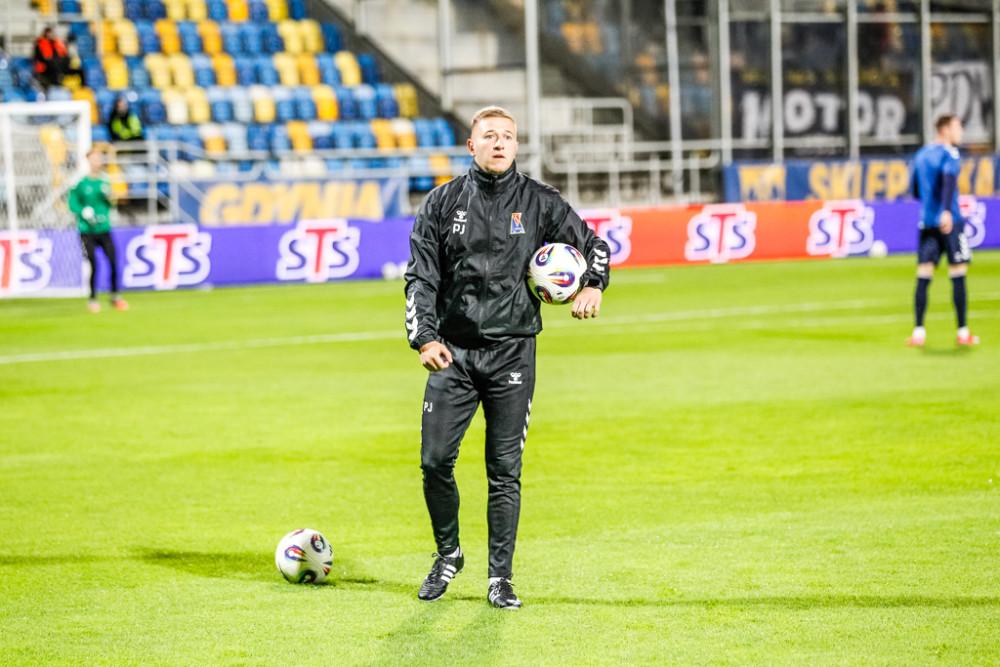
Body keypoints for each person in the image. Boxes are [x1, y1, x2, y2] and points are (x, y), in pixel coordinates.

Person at [404, 106, 610, 609]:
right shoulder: (441, 203)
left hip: (512, 354)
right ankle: (448, 554)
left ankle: (500, 578)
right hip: (452, 355)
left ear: (516, 146)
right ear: (471, 145)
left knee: (504, 470)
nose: (499, 143)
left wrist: (593, 285)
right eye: (489, 136)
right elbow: (421, 277)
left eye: (508, 137)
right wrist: (425, 338)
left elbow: (595, 246)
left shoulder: (540, 202)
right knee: (434, 462)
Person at [907, 114, 977, 347]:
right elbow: (948, 181)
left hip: (927, 222)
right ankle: (963, 332)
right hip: (951, 221)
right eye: (957, 127)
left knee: (924, 274)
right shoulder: (950, 154)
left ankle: (918, 332)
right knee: (958, 273)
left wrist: (931, 208)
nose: (961, 132)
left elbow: (915, 190)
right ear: (944, 129)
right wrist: (946, 210)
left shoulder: (921, 154)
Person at [68, 147, 129, 313]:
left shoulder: (106, 181)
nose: (97, 161)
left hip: (104, 228)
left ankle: (115, 296)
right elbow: (72, 203)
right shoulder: (80, 183)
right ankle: (93, 298)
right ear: (88, 160)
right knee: (93, 264)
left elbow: (114, 202)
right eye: (94, 158)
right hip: (87, 231)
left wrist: (111, 197)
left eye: (99, 158)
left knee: (113, 262)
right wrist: (82, 211)